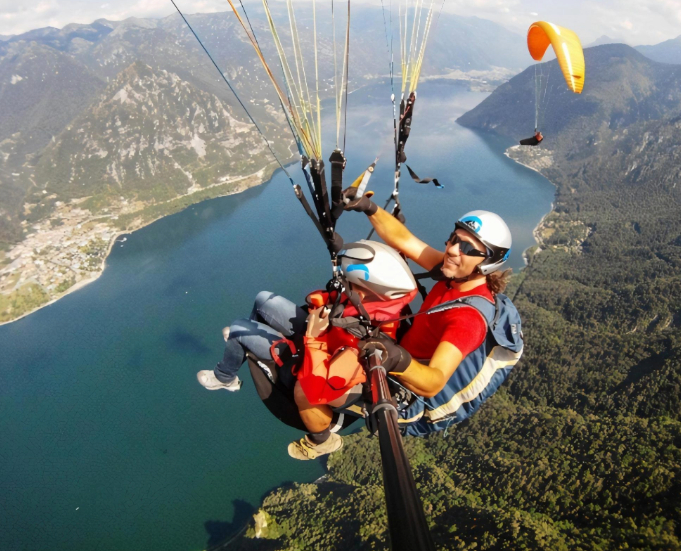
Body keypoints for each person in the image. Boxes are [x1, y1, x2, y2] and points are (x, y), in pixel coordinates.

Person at [197, 240, 418, 460]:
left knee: (237, 330)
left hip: (309, 364)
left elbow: (316, 387)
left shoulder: (368, 343)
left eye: (349, 283)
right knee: (263, 299)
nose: (343, 284)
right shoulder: (367, 304)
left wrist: (313, 337)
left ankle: (225, 376)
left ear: (362, 292)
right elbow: (334, 299)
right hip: (324, 336)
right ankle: (249, 338)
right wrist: (325, 302)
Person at [340, 195, 524, 436]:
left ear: (486, 264)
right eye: (455, 239)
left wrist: (397, 359)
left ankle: (322, 436)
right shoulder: (455, 276)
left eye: (467, 248)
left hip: (405, 395)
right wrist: (370, 207)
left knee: (311, 387)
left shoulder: (468, 319)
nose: (452, 249)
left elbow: (433, 382)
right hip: (398, 357)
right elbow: (406, 240)